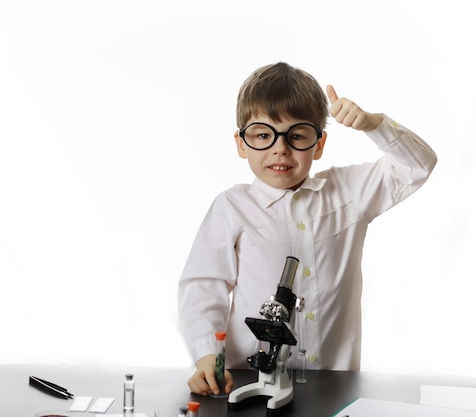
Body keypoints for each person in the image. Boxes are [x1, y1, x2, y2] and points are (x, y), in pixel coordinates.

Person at [177, 62, 437, 396]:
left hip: (333, 385)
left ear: (319, 144)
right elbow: (202, 287)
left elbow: (419, 165)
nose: (280, 148)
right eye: (262, 135)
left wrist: (374, 125)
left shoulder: (347, 193)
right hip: (249, 382)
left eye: (296, 135)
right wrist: (207, 357)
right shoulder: (231, 208)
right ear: (242, 144)